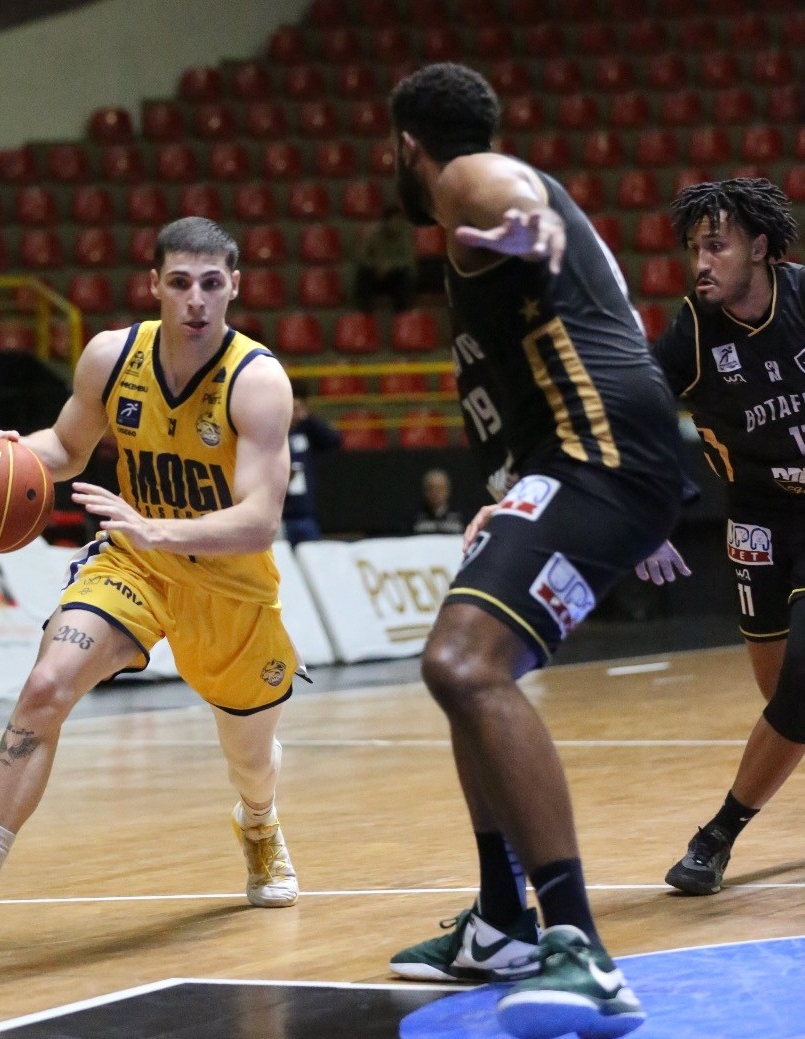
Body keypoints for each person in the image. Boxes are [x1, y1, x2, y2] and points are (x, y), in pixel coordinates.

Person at [0, 217, 304, 955]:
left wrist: (161, 527)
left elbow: (261, 519)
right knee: (47, 683)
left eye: (211, 283)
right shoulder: (113, 356)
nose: (195, 299)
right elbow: (66, 449)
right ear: (154, 286)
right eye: (179, 282)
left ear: (235, 285)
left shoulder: (257, 381)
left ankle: (260, 822)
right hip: (134, 562)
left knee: (251, 760)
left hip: (227, 583)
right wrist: (5, 447)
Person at [384, 63, 684, 1039]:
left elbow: (505, 191)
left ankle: (581, 948)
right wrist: (506, 488)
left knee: (462, 662)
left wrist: (523, 220)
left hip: (602, 453)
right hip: (577, 460)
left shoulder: (468, 179)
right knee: (463, 662)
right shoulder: (464, 239)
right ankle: (503, 920)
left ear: (406, 145)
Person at [638, 178, 805, 897]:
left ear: (760, 248)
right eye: (693, 250)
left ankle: (718, 834)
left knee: (803, 690)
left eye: (716, 245)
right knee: (786, 706)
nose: (699, 263)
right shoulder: (693, 334)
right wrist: (647, 515)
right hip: (759, 516)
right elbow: (627, 415)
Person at [281, 378, 341, 546]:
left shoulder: (307, 431)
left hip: (304, 514)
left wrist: (307, 418)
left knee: (311, 555)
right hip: (278, 515)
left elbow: (334, 440)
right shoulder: (271, 432)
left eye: (296, 409)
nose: (292, 413)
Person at [353, 204, 418, 313]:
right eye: (394, 221)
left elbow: (409, 260)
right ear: (386, 221)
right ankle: (364, 314)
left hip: (394, 276)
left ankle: (402, 315)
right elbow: (361, 257)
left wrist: (391, 265)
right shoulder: (373, 235)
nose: (397, 224)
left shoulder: (404, 237)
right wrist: (377, 264)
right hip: (376, 274)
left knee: (406, 275)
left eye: (399, 221)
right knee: (362, 274)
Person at [409, 467, 464, 535]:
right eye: (432, 488)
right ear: (426, 492)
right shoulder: (415, 518)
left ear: (447, 490)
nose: (436, 493)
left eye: (440, 488)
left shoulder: (460, 516)